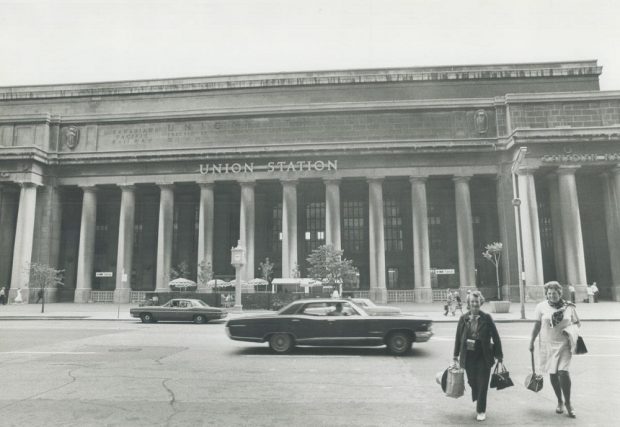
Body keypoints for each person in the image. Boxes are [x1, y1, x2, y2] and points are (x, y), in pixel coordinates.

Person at [529, 281, 580, 418]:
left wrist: (570, 330)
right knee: (552, 374)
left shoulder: (569, 307)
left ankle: (568, 403)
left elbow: (577, 323)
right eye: (549, 293)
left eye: (555, 293)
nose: (552, 295)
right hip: (547, 344)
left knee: (563, 372)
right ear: (546, 294)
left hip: (564, 344)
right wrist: (531, 341)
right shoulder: (541, 307)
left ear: (560, 293)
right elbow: (537, 325)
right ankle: (559, 400)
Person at [453, 291, 503, 422]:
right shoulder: (463, 318)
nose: (474, 304)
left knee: (482, 383)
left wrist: (499, 355)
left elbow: (496, 337)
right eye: (472, 302)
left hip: (483, 355)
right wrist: (455, 355)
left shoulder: (486, 318)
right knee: (472, 381)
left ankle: (481, 410)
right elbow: (458, 338)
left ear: (480, 303)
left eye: (477, 301)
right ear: (469, 304)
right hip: (468, 356)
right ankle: (477, 395)